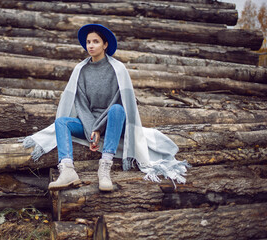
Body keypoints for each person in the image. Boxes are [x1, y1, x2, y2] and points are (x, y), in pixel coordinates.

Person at [22, 24, 189, 192]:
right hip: (89, 123)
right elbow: (81, 105)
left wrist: (98, 129)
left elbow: (120, 102)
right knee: (61, 122)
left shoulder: (117, 69)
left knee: (117, 109)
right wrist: (91, 130)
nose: (91, 45)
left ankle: (105, 168)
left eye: (96, 41)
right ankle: (67, 170)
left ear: (105, 44)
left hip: (114, 122)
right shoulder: (81, 70)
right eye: (88, 42)